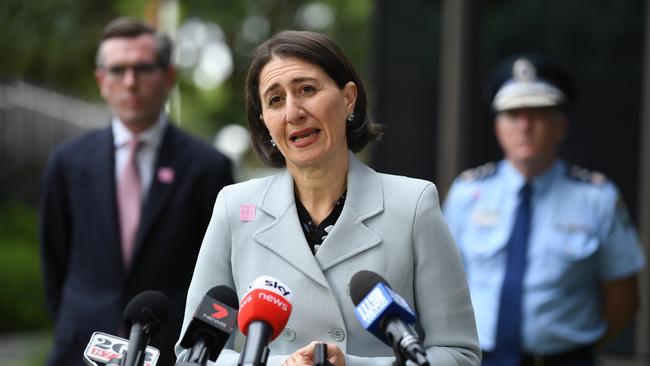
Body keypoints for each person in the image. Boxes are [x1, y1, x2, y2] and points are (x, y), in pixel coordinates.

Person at [177, 30, 481, 365]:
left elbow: (458, 354)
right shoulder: (234, 207)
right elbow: (193, 354)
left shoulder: (413, 205)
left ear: (348, 98)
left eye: (307, 89)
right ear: (264, 121)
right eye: (275, 100)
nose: (293, 112)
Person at [39, 17, 234, 366]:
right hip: (79, 346)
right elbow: (54, 259)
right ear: (102, 81)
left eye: (143, 68)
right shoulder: (67, 161)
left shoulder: (208, 167)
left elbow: (219, 271)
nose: (130, 82)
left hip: (170, 348)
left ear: (168, 77)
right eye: (117, 70)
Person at [443, 54, 646, 366]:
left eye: (537, 112)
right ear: (498, 128)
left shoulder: (597, 198)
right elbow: (440, 284)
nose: (524, 125)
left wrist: (577, 344)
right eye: (512, 114)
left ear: (560, 126)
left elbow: (623, 298)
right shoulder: (467, 194)